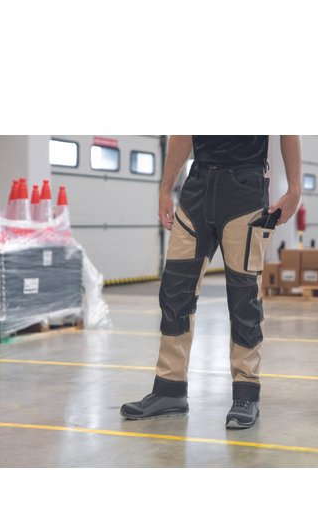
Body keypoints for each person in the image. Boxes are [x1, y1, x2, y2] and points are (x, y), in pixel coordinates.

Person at [120, 135, 302, 429]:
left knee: (244, 296)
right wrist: (165, 189)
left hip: (245, 186)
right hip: (198, 185)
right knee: (175, 289)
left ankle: (246, 392)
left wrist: (295, 188)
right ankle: (169, 389)